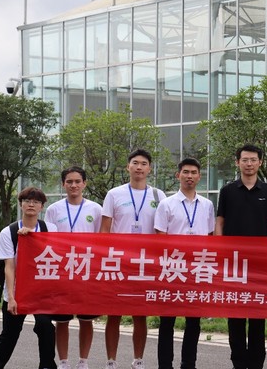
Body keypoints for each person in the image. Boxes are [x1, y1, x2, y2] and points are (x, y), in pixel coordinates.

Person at [214, 144, 267, 369]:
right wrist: (220, 252)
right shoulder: (228, 191)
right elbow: (220, 222)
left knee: (257, 316)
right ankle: (238, 362)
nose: (249, 164)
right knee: (235, 316)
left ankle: (256, 362)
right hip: (233, 264)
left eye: (253, 160)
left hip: (261, 264)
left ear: (260, 162)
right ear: (238, 163)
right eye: (245, 160)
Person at [100, 149, 166, 369]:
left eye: (144, 163)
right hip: (118, 261)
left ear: (149, 168)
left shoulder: (158, 196)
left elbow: (163, 230)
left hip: (145, 263)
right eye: (135, 163)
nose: (139, 167)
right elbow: (105, 229)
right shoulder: (114, 194)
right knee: (114, 314)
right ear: (127, 167)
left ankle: (138, 360)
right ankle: (111, 361)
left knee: (140, 314)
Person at [154, 157, 215, 369]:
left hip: (197, 269)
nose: (189, 176)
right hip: (172, 268)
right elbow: (160, 237)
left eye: (194, 172)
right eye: (186, 172)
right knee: (167, 322)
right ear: (178, 175)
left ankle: (189, 363)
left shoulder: (207, 205)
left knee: (193, 322)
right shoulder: (166, 204)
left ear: (199, 177)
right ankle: (165, 365)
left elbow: (210, 235)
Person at [0, 187, 58, 369]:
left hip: (41, 291)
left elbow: (55, 257)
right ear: (21, 205)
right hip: (16, 290)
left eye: (36, 202)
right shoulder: (9, 232)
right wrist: (11, 297)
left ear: (41, 206)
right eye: (27, 201)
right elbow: (9, 267)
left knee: (45, 327)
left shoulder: (50, 229)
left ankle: (47, 365)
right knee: (10, 333)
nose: (31, 204)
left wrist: (34, 237)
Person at [45, 167, 103, 369]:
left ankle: (83, 361)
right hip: (62, 270)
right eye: (69, 182)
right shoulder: (54, 209)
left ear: (84, 184)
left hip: (87, 270)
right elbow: (48, 240)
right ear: (63, 184)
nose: (73, 185)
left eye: (78, 181)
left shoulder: (95, 209)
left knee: (86, 319)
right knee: (62, 320)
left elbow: (102, 240)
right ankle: (63, 362)